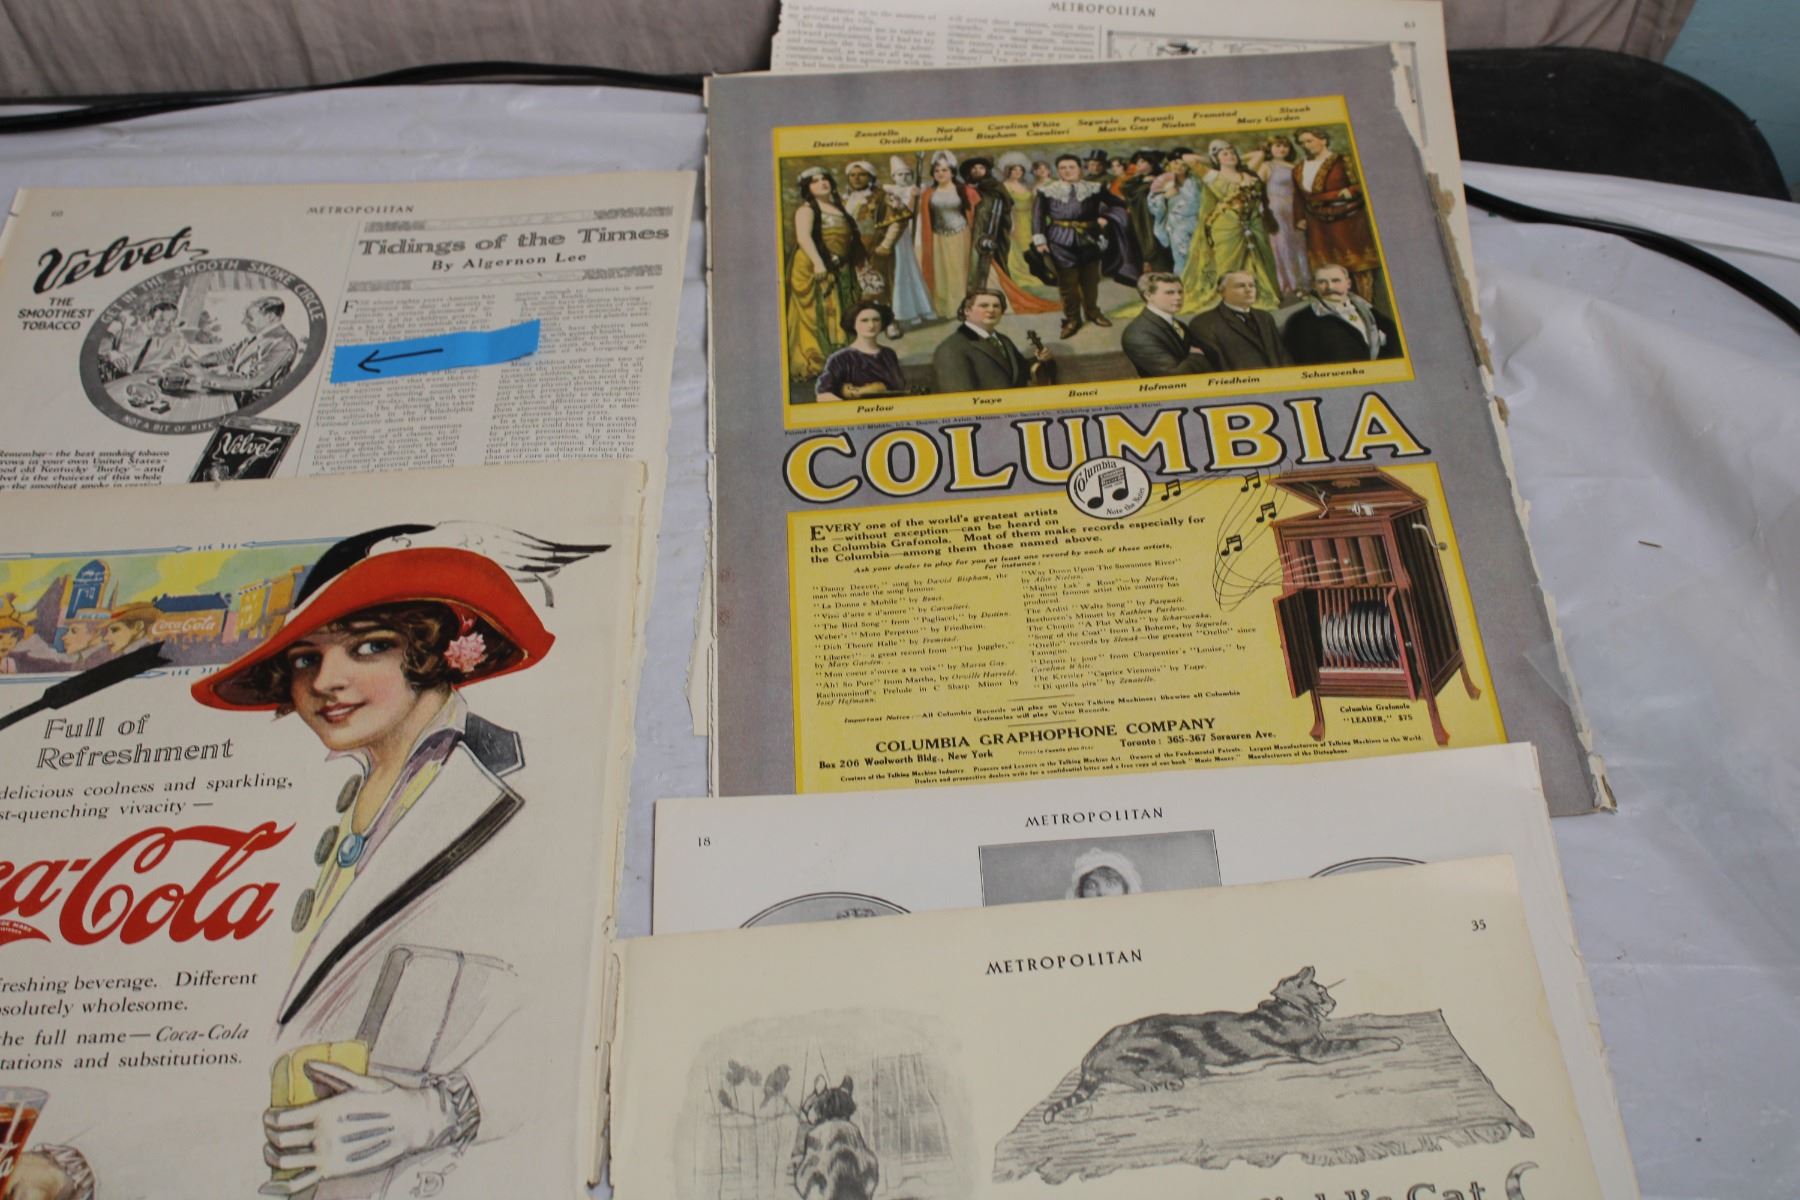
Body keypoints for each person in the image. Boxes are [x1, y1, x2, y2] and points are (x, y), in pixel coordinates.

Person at [191, 542, 559, 1197]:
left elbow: (576, 1007)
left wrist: (445, 1110)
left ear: (436, 652)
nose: (325, 681)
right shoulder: (310, 800)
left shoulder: (533, 788)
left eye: (368, 647)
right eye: (305, 658)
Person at [1180, 139, 1280, 315]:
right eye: (1225, 154)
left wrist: (1234, 155)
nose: (1230, 156)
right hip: (1226, 225)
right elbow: (1187, 158)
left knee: (1256, 259)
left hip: (1252, 222)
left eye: (1232, 153)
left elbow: (1259, 154)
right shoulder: (1213, 175)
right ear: (1217, 159)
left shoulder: (1247, 173)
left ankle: (1252, 296)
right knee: (1227, 262)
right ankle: (1227, 298)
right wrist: (1213, 157)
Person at [785, 167, 862, 380]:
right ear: (807, 188)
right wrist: (819, 263)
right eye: (815, 181)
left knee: (839, 307)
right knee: (820, 311)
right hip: (813, 266)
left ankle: (842, 357)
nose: (822, 183)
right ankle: (817, 360)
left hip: (838, 266)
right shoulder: (807, 210)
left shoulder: (838, 208)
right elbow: (804, 238)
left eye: (825, 179)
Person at [1031, 154, 1121, 339]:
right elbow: (1037, 217)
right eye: (1063, 168)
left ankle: (1093, 312)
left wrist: (1106, 217)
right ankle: (1072, 319)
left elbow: (1118, 204)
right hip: (1059, 240)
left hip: (1090, 239)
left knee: (1091, 281)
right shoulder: (1047, 191)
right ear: (1058, 171)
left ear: (1080, 169)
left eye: (1071, 167)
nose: (1067, 171)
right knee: (1068, 284)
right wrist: (1040, 240)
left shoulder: (1094, 188)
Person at [959, 156, 1058, 313]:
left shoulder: (995, 186)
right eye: (974, 168)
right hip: (971, 230)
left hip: (999, 227)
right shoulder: (967, 188)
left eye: (981, 168)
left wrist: (1007, 223)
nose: (978, 171)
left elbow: (1006, 206)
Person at [1293, 127, 1380, 301]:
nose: (1305, 145)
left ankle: (1365, 302)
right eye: (1301, 143)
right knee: (1327, 266)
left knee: (1357, 264)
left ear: (1323, 140)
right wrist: (1299, 217)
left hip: (1347, 219)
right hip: (1316, 222)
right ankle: (1336, 304)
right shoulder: (1299, 168)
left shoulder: (1344, 161)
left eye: (1309, 141)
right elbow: (1299, 196)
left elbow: (1363, 184)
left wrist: (1349, 191)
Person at [170, 297, 300, 407]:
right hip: (239, 398)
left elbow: (252, 381)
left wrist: (203, 374)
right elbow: (224, 355)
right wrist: (194, 362)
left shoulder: (283, 343)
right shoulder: (258, 336)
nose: (244, 322)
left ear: (270, 317)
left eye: (250, 318)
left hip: (258, 405)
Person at [930, 288, 1054, 392]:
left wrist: (1039, 359)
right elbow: (961, 400)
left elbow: (1018, 372)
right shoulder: (950, 349)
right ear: (967, 311)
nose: (991, 310)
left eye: (996, 306)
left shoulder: (1004, 340)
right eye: (984, 305)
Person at [1283, 263, 1403, 365]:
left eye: (1336, 281)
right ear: (1314, 286)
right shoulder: (1300, 321)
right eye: (1322, 282)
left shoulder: (1368, 310)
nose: (1330, 287)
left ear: (1348, 284)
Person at [840, 161, 906, 322]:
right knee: (855, 287)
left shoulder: (883, 196)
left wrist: (886, 244)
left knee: (880, 285)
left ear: (870, 177)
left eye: (861, 175)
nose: (856, 179)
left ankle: (889, 322)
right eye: (852, 175)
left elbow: (898, 221)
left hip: (874, 247)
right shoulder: (844, 199)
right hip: (850, 250)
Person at [1186, 270, 1289, 370]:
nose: (1248, 290)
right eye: (1240, 286)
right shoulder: (1204, 323)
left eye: (1252, 285)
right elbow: (1218, 366)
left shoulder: (1265, 317)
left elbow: (1282, 356)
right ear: (1222, 291)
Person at [917, 152, 973, 321]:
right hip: (938, 237)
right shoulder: (928, 193)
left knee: (958, 271)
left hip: (960, 235)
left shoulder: (963, 190)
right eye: (937, 171)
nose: (940, 173)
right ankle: (944, 307)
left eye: (944, 170)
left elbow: (974, 212)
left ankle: (962, 306)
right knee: (941, 273)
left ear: (952, 172)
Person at [1121, 273, 1210, 377]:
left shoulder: (1179, 325)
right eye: (1169, 293)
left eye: (1180, 292)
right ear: (1148, 296)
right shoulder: (1138, 334)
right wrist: (1197, 355)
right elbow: (1175, 374)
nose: (1178, 297)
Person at [816, 301, 908, 402]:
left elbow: (899, 388)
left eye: (876, 320)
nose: (871, 325)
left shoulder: (888, 354)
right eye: (864, 320)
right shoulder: (840, 359)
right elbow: (823, 395)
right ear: (853, 324)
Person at [881, 156, 935, 328]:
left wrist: (916, 196)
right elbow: (905, 214)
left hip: (915, 231)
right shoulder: (889, 193)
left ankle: (921, 307)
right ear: (893, 177)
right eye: (900, 174)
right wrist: (912, 198)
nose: (904, 178)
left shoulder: (917, 189)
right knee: (900, 270)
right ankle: (904, 312)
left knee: (911, 268)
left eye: (907, 174)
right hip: (897, 233)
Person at [1258, 134, 1311, 299]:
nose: (1282, 149)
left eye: (1285, 146)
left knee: (1299, 245)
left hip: (1294, 210)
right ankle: (1290, 286)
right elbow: (1258, 190)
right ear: (1270, 149)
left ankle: (1305, 284)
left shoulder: (1295, 166)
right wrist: (1264, 212)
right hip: (1276, 210)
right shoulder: (1267, 166)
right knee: (1283, 246)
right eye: (1278, 146)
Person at [102, 300, 190, 376]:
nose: (167, 325)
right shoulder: (129, 333)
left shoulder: (176, 339)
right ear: (149, 319)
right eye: (161, 320)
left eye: (172, 321)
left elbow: (181, 360)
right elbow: (105, 350)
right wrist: (111, 355)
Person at [1148, 157, 1201, 275]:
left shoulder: (1195, 182)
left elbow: (1203, 201)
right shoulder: (1163, 182)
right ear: (1169, 165)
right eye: (1175, 163)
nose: (1179, 167)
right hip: (1176, 224)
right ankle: (1182, 282)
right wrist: (1164, 197)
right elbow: (1152, 204)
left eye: (1183, 165)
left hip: (1196, 222)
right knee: (1181, 257)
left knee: (1199, 256)